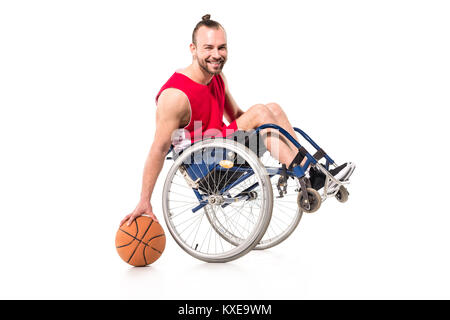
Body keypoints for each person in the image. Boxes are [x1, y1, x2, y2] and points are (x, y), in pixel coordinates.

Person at [120, 14, 354, 226]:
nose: (216, 54)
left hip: (225, 148)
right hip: (206, 164)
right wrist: (144, 199)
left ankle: (315, 169)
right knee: (261, 111)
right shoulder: (175, 96)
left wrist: (264, 121)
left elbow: (238, 118)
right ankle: (312, 175)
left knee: (271, 108)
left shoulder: (216, 77)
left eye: (222, 48)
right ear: (193, 49)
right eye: (208, 47)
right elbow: (159, 148)